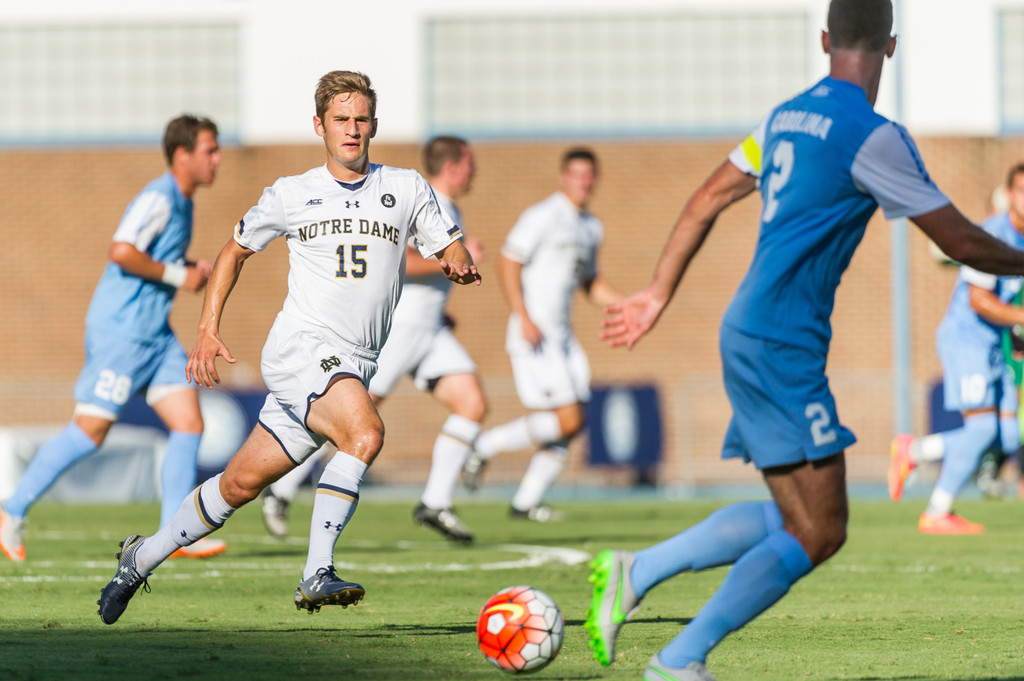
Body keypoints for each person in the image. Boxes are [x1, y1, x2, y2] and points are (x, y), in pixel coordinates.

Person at [583, 2, 1024, 680]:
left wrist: (658, 292)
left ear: (825, 40)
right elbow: (962, 241)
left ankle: (638, 573)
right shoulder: (874, 136)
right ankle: (679, 657)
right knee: (820, 528)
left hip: (748, 329)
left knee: (800, 513)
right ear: (891, 46)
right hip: (782, 343)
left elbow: (706, 197)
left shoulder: (784, 117)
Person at [95, 70, 480, 625]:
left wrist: (458, 259)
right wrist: (207, 329)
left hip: (355, 363)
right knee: (365, 432)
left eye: (361, 119)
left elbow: (449, 242)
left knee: (238, 485)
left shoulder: (407, 187)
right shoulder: (291, 193)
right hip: (303, 348)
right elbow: (233, 252)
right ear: (320, 126)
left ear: (374, 125)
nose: (352, 129)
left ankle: (140, 558)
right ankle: (316, 572)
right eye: (341, 119)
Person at [0, 115, 226, 563]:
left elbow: (153, 256)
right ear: (182, 155)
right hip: (122, 334)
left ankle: (175, 535)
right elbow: (121, 251)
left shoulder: (184, 201)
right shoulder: (159, 197)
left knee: (188, 423)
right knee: (89, 432)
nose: (217, 159)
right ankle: (12, 510)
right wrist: (180, 274)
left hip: (155, 335)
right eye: (210, 150)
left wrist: (186, 267)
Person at [260, 135, 487, 543]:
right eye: (470, 163)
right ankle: (282, 489)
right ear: (452, 167)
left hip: (431, 328)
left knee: (473, 404)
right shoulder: (421, 198)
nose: (475, 171)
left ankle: (435, 502)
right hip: (402, 327)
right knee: (351, 419)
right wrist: (451, 260)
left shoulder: (449, 207)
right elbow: (403, 260)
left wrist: (442, 304)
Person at [461, 148, 620, 521]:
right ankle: (483, 445)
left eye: (588, 175)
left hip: (564, 339)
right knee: (570, 419)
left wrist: (629, 306)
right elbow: (508, 261)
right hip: (535, 333)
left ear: (595, 179)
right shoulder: (543, 215)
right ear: (564, 177)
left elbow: (590, 282)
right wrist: (523, 315)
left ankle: (525, 503)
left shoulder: (591, 227)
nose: (583, 181)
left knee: (572, 423)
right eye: (576, 174)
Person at [890, 162, 1024, 529]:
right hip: (967, 341)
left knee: (1008, 435)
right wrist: (1020, 317)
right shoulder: (992, 235)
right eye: (1022, 191)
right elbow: (978, 300)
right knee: (980, 431)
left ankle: (915, 451)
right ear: (1008, 195)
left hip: (993, 345)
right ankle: (937, 511)